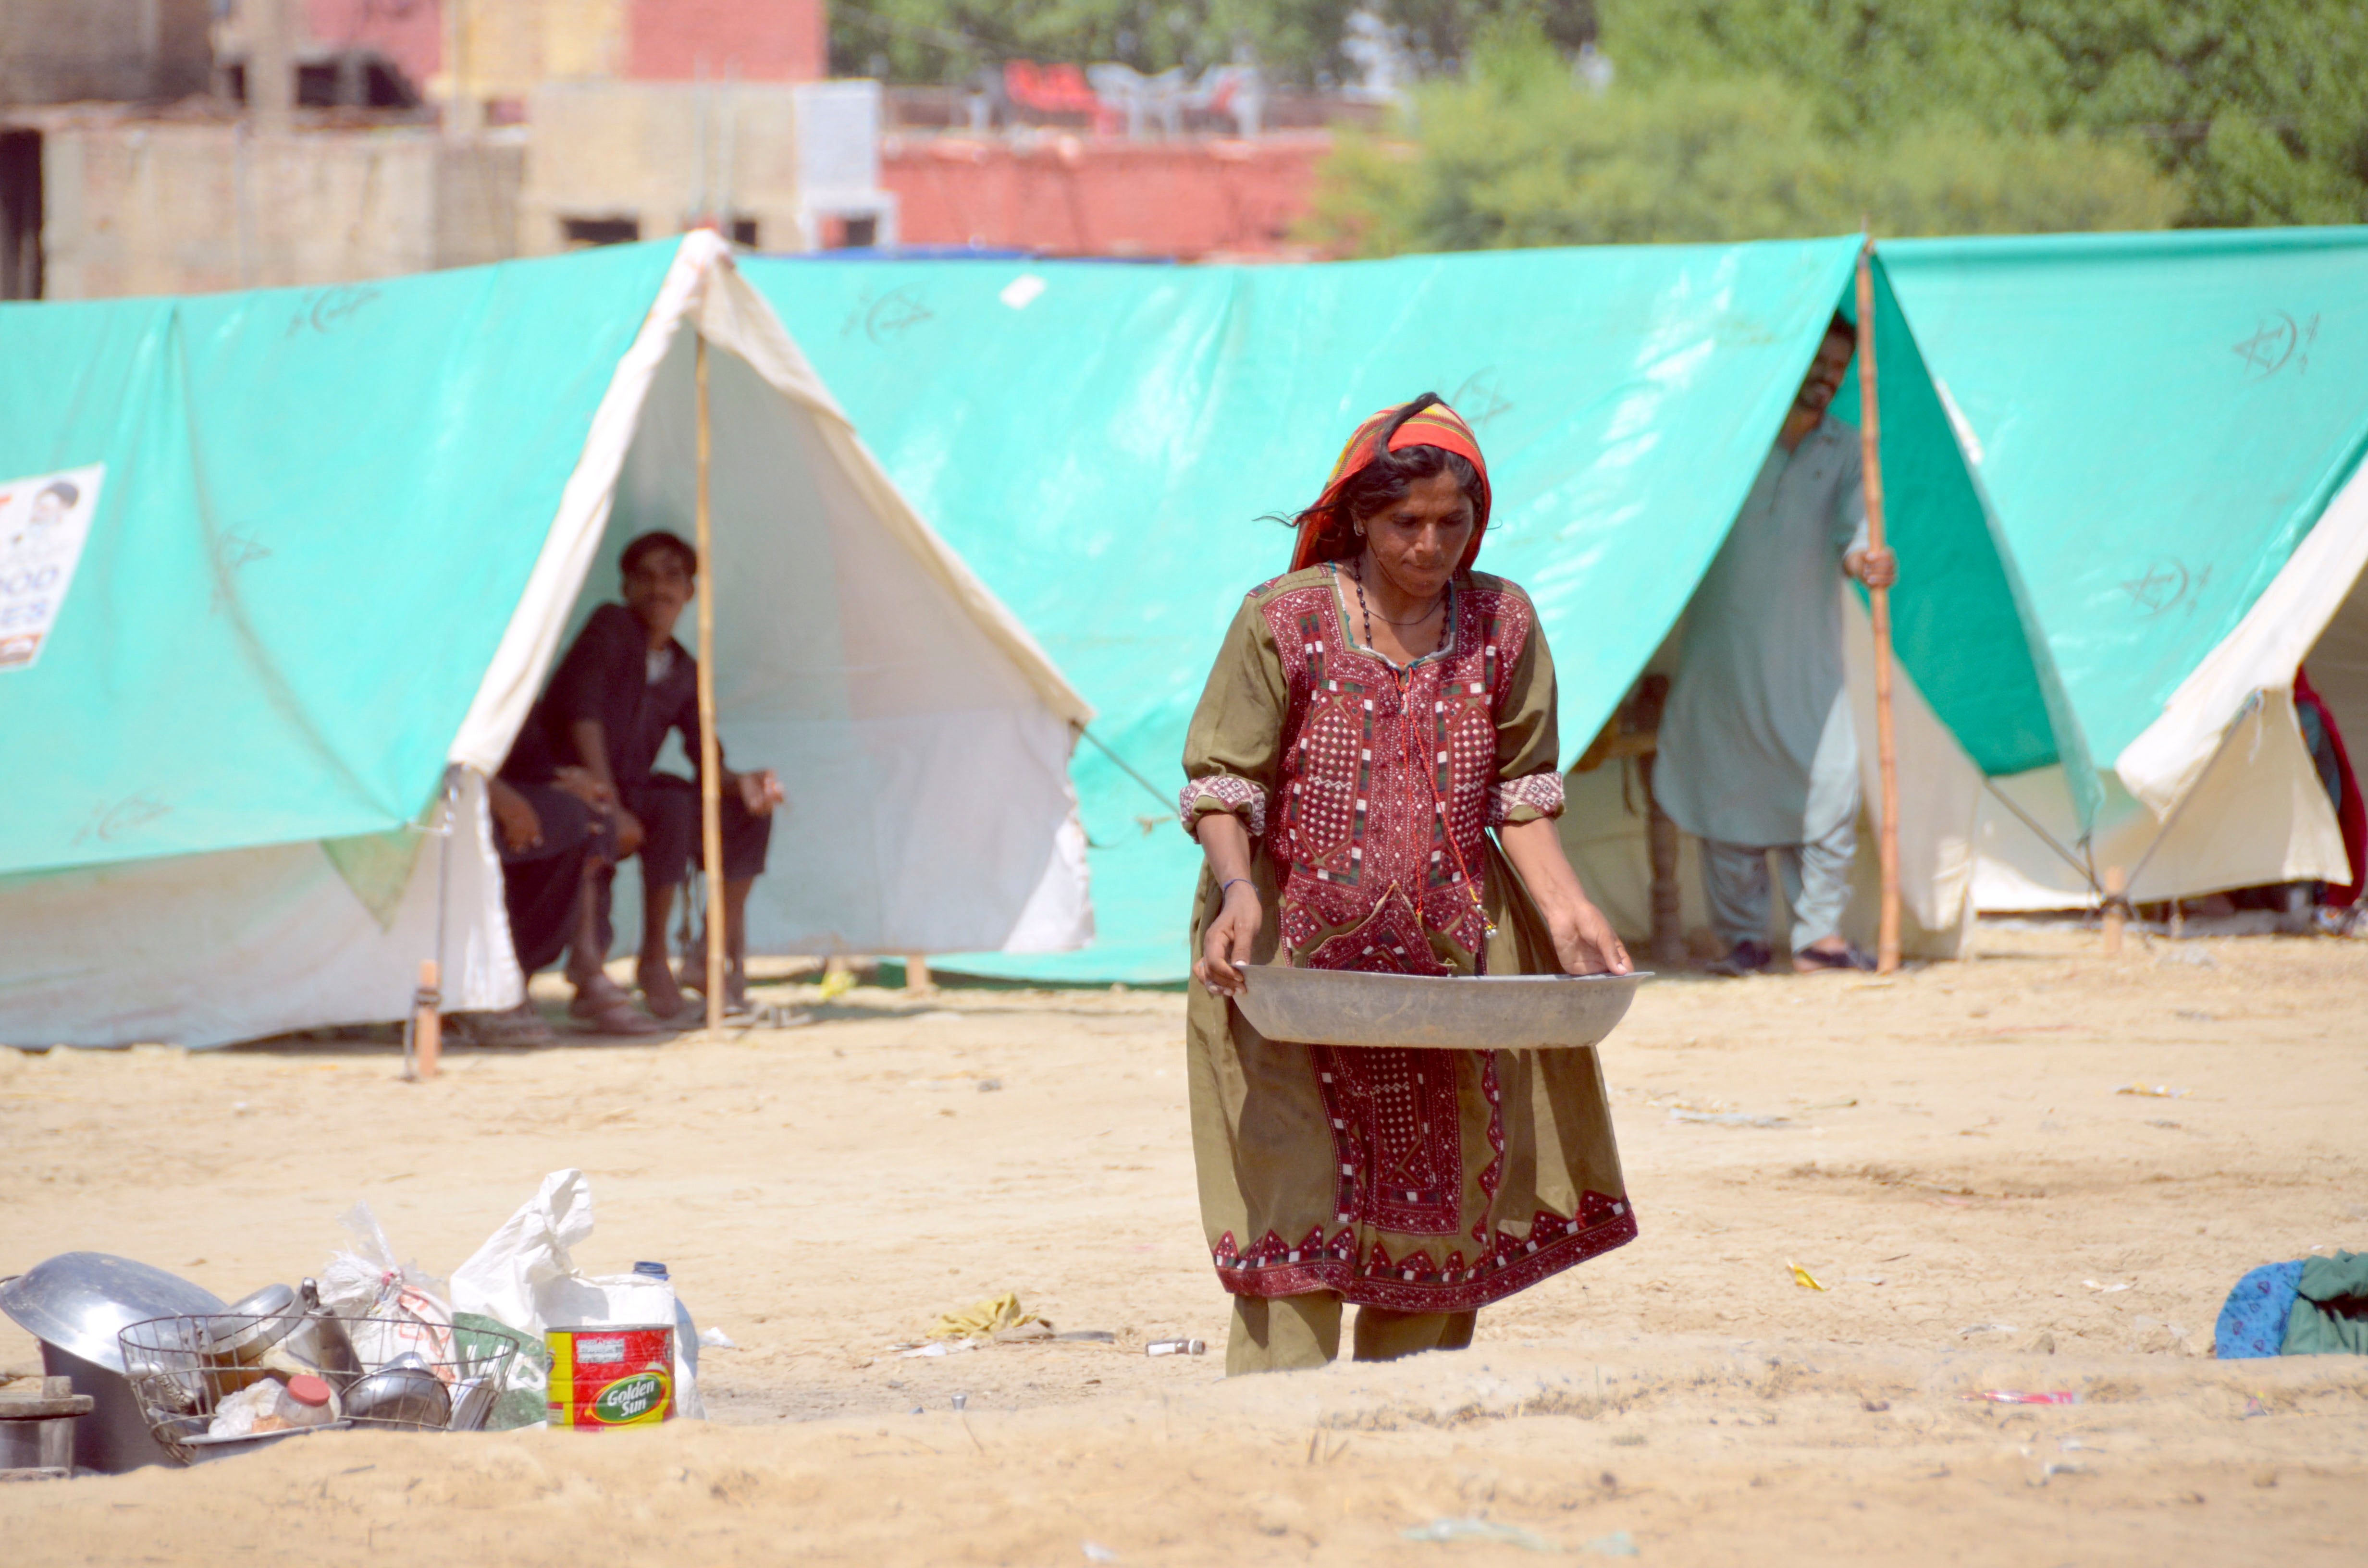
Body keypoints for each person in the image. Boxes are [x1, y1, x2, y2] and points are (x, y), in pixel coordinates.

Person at [1181, 394, 1637, 1376]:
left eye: (1452, 523)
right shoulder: (1284, 618)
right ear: (1356, 520)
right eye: (1404, 524)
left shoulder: (1502, 622)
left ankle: (1401, 1431)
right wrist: (1236, 892)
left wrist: (1567, 911)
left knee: (1437, 1209)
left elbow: (1521, 795)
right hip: (1287, 966)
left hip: (1449, 972)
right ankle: (1272, 1429)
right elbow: (1224, 782)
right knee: (1294, 1208)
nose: (1430, 545)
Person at [1652, 314, 1899, 976]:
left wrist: (1867, 561)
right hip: (1721, 659)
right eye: (1816, 363)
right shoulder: (1728, 439)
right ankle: (1743, 943)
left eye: (1837, 370)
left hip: (1807, 658)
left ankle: (1820, 938)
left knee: (1831, 783)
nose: (1825, 379)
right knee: (1724, 788)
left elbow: (1858, 531)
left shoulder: (1847, 448)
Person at [499, 530, 785, 1030]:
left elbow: (705, 757)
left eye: (673, 576)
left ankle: (695, 955)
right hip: (573, 781)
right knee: (615, 812)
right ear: (627, 587)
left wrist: (746, 782)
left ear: (690, 592)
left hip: (633, 789)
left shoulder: (681, 666)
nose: (660, 589)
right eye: (646, 577)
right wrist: (609, 799)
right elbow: (582, 716)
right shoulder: (610, 627)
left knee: (733, 810)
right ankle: (588, 971)